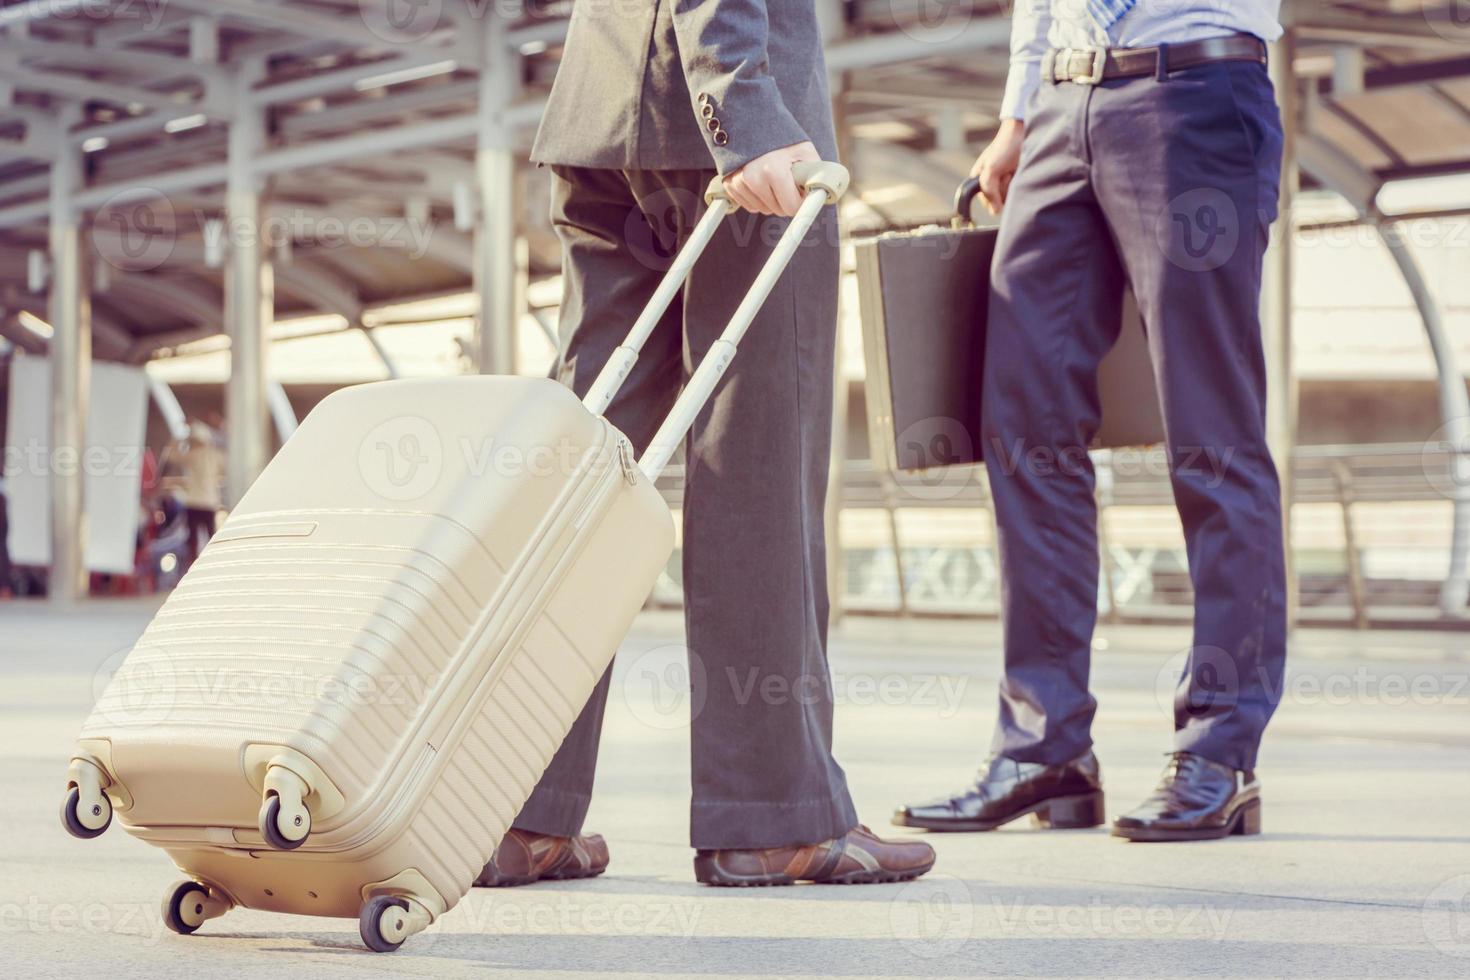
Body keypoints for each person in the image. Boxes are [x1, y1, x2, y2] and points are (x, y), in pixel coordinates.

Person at [476, 0, 934, 887]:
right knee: (756, 467)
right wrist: (745, 107)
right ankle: (771, 816)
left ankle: (511, 806)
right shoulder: (742, 113)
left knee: (583, 477)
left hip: (605, 115)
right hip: (731, 135)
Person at [894, 1, 1287, 842]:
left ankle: (1221, 750)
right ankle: (1047, 751)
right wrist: (1015, 115)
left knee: (1212, 437)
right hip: (1060, 110)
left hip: (1198, 87)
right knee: (1022, 427)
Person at [175, 418, 224, 571]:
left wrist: (179, 439)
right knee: (211, 538)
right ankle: (214, 567)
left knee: (193, 541)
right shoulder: (215, 455)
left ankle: (192, 569)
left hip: (194, 502)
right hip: (209, 502)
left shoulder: (192, 455)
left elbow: (172, 455)